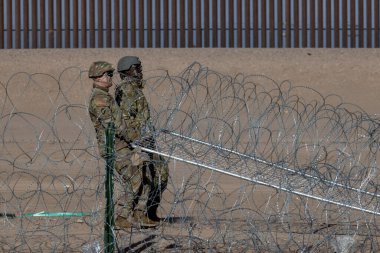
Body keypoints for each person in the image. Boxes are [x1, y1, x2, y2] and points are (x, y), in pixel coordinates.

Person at [87, 61, 158, 229]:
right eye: (108, 74)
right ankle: (120, 216)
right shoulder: (99, 99)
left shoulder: (105, 96)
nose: (111, 77)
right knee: (133, 177)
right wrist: (136, 136)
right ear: (98, 77)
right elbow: (113, 125)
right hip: (113, 146)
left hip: (123, 144)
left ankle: (139, 213)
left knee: (145, 170)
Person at [115, 56, 169, 222]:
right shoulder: (126, 90)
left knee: (161, 172)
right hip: (135, 142)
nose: (140, 71)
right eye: (137, 67)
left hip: (145, 140)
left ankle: (148, 212)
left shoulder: (135, 89)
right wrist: (137, 138)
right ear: (128, 71)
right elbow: (125, 119)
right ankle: (131, 214)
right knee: (142, 177)